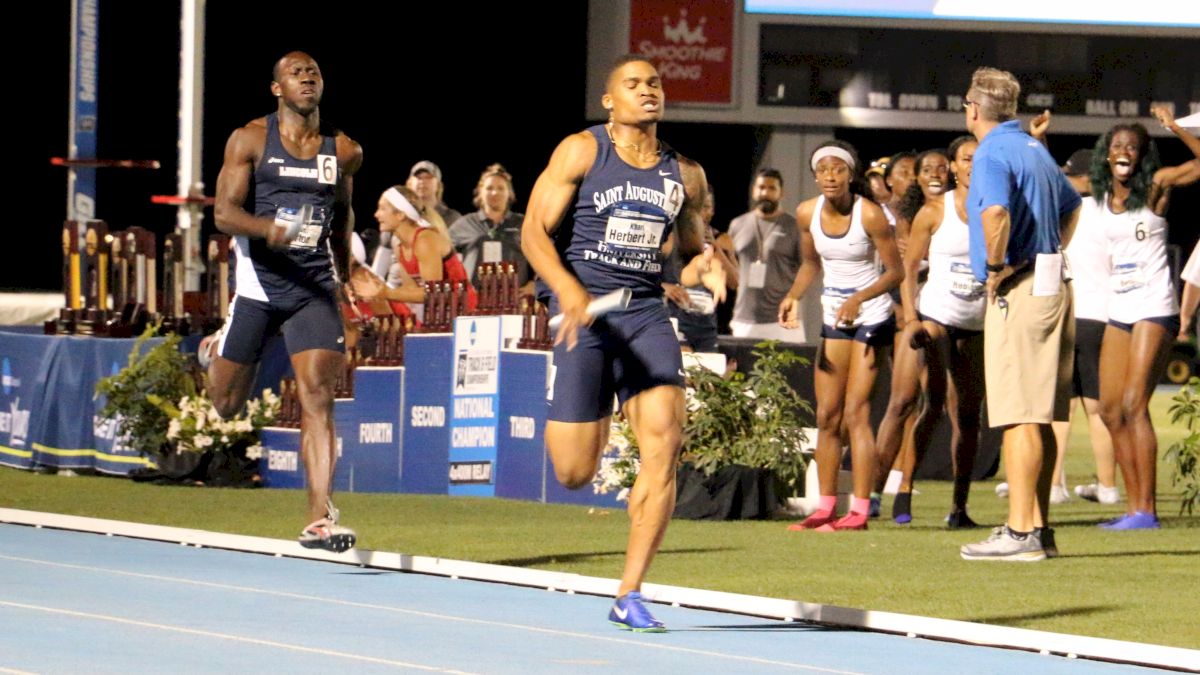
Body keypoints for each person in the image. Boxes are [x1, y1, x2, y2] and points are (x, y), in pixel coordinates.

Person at [520, 55, 722, 632]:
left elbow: (684, 250)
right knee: (574, 473)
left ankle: (629, 592)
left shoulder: (685, 172)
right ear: (610, 100)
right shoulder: (582, 150)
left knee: (665, 440)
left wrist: (697, 272)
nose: (646, 91)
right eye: (632, 85)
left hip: (643, 315)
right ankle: (598, 407)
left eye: (654, 83)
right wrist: (565, 292)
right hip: (586, 313)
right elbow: (534, 231)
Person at [206, 51, 362, 552]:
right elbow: (225, 214)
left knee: (318, 396)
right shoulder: (250, 139)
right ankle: (212, 351)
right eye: (295, 73)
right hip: (258, 286)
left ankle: (320, 518)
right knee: (226, 404)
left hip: (312, 288)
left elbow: (342, 217)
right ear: (276, 89)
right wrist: (265, 230)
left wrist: (344, 277)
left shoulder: (344, 150)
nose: (307, 77)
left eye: (314, 71)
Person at [958, 67, 1081, 561]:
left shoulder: (991, 150)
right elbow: (1074, 207)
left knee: (1018, 414)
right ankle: (1040, 529)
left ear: (973, 109)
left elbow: (996, 214)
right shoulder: (1034, 147)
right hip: (1055, 283)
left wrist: (996, 267)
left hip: (1024, 289)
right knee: (1043, 414)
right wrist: (1048, 249)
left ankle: (1019, 531)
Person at [779, 140, 903, 532]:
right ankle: (825, 507)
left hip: (871, 314)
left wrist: (860, 298)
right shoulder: (805, 213)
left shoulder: (871, 215)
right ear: (815, 175)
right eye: (824, 170)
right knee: (827, 416)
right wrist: (793, 296)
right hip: (835, 314)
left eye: (839, 169)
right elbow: (810, 263)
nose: (831, 177)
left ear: (851, 174)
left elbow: (896, 272)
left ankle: (860, 510)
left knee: (856, 414)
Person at [1092, 107, 1200, 530]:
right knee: (1109, 409)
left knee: (1135, 404)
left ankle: (1146, 510)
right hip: (1119, 307)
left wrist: (1174, 128)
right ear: (1107, 155)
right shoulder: (1099, 197)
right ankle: (1134, 507)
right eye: (1117, 145)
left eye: (1132, 147)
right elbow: (1056, 184)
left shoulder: (1155, 185)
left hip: (1154, 305)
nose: (1124, 152)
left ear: (1141, 156)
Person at [874, 141, 986, 528]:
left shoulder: (997, 209)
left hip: (977, 324)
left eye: (980, 159)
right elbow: (905, 269)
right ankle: (896, 489)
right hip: (934, 317)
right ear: (956, 167)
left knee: (968, 417)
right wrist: (911, 319)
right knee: (926, 402)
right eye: (967, 159)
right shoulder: (934, 211)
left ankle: (959, 507)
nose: (974, 165)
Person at [351, 185, 477, 318]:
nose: (376, 214)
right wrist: (376, 291)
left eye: (382, 209)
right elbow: (411, 292)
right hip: (440, 315)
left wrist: (384, 292)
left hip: (465, 313)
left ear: (400, 214)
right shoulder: (399, 246)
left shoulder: (425, 239)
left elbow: (433, 293)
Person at [728, 169, 805, 342]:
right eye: (761, 187)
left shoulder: (793, 226)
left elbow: (808, 268)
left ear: (781, 193)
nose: (765, 193)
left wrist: (794, 297)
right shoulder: (737, 224)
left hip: (783, 320)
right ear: (754, 190)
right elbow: (729, 266)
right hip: (744, 318)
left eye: (772, 188)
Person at [661, 185, 737, 352]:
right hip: (675, 320)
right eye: (699, 207)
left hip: (705, 326)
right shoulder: (669, 237)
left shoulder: (718, 240)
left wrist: (712, 264)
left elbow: (733, 281)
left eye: (707, 207)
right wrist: (663, 287)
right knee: (686, 369)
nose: (703, 213)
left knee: (708, 376)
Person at [449, 163, 532, 296]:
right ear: (480, 192)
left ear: (509, 193)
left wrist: (535, 283)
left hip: (515, 301)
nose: (495, 192)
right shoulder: (464, 224)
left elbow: (544, 254)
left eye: (500, 188)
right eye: (489, 188)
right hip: (474, 303)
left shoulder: (523, 224)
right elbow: (445, 258)